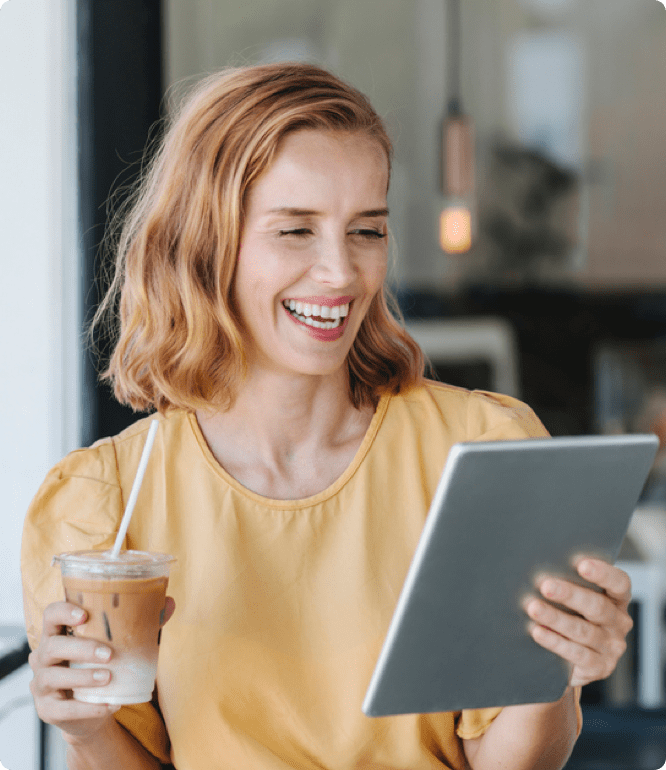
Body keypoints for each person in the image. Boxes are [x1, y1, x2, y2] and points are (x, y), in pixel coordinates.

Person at [21, 62, 633, 770]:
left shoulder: (479, 453)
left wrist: (553, 668)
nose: (342, 273)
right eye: (296, 231)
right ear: (207, 244)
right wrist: (85, 730)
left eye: (366, 231)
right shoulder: (103, 507)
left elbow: (514, 764)